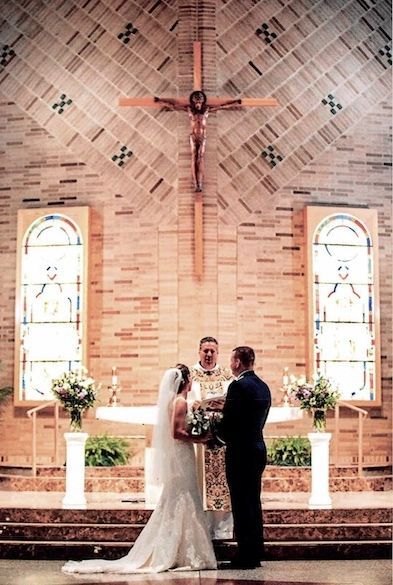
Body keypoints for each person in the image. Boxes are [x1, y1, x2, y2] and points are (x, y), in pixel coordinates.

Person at [62, 364, 217, 574]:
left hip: (181, 455)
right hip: (182, 454)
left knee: (180, 498)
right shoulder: (180, 402)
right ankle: (185, 552)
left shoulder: (175, 401)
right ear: (185, 381)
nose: (192, 383)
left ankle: (179, 549)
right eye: (190, 379)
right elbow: (177, 433)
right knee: (185, 496)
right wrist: (200, 438)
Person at [219, 346, 271, 569]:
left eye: (232, 361)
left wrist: (216, 435)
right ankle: (255, 550)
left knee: (241, 504)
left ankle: (245, 556)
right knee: (253, 501)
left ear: (238, 362)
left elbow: (229, 422)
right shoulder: (263, 386)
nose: (230, 365)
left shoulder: (238, 386)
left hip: (240, 452)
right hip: (258, 448)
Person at [189, 336, 233, 538]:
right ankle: (201, 528)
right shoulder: (191, 375)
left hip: (223, 437)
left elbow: (233, 400)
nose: (208, 354)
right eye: (205, 350)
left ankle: (222, 528)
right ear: (199, 351)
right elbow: (183, 399)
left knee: (223, 481)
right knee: (200, 483)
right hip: (200, 439)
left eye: (212, 351)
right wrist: (195, 406)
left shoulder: (226, 375)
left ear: (217, 353)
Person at [154, 91, 241, 192]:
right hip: (194, 136)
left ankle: (200, 183)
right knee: (194, 158)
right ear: (194, 103)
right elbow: (174, 106)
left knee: (200, 158)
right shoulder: (189, 110)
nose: (198, 104)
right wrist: (160, 101)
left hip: (202, 137)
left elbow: (222, 106)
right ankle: (196, 183)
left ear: (202, 102)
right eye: (196, 102)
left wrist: (235, 103)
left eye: (200, 102)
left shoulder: (207, 110)